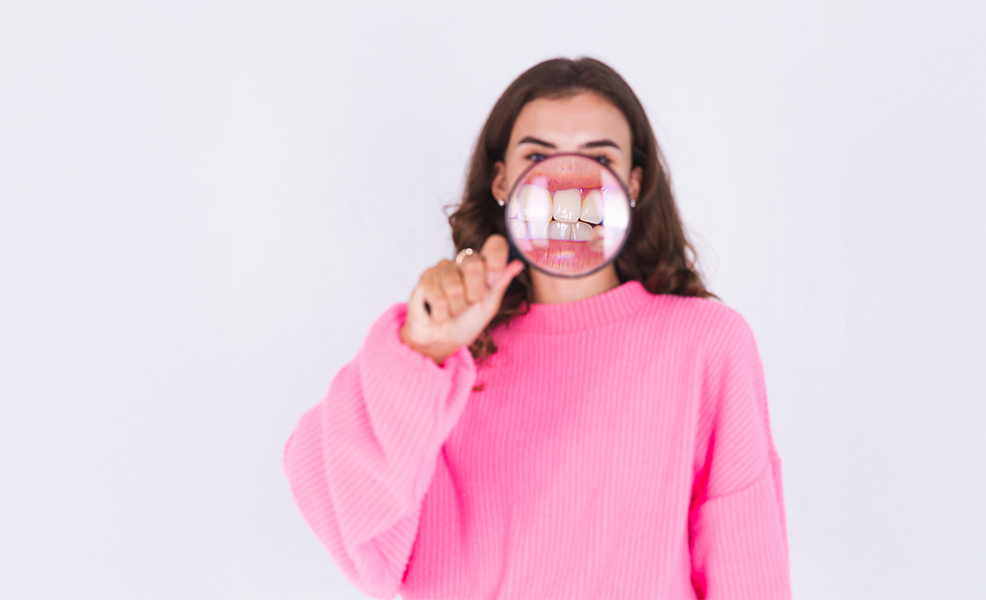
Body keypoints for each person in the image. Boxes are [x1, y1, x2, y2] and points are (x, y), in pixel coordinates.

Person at [283, 57, 790, 599]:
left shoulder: (705, 343)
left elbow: (747, 564)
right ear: (501, 179)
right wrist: (423, 351)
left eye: (600, 157)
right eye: (538, 156)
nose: (568, 182)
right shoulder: (449, 354)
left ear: (633, 183)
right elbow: (348, 518)